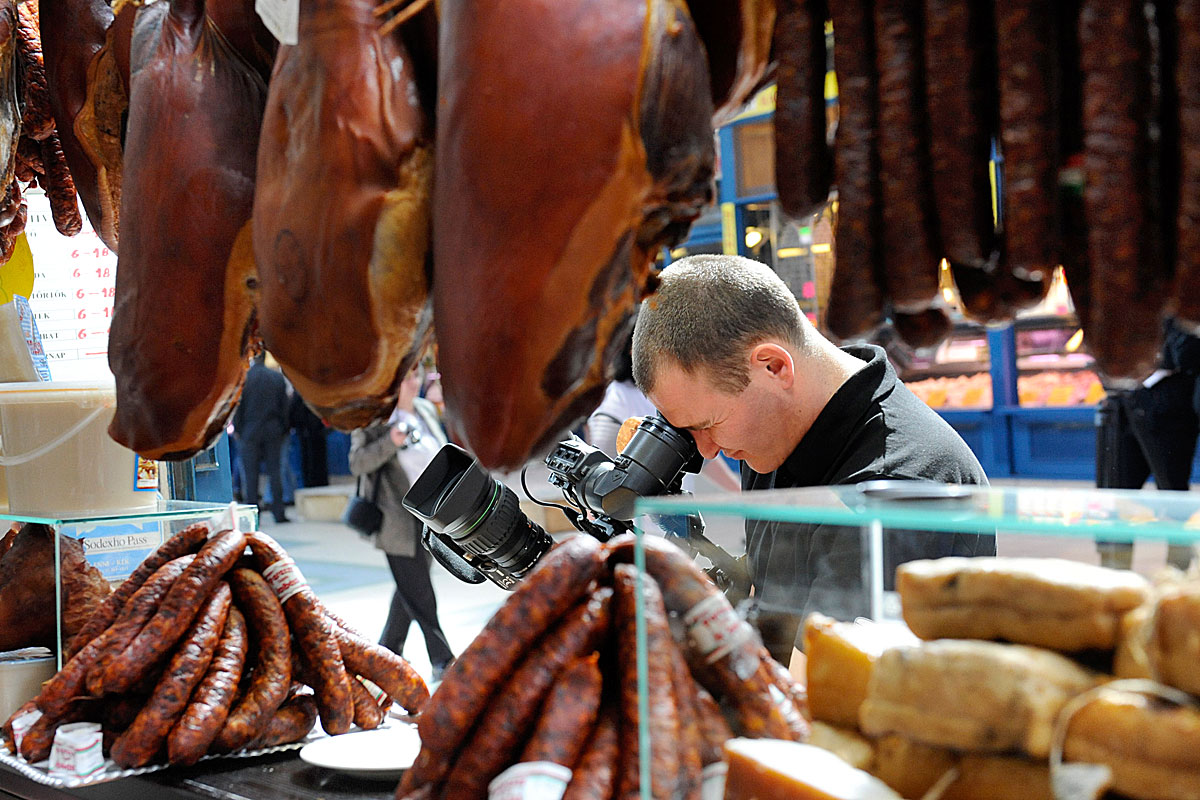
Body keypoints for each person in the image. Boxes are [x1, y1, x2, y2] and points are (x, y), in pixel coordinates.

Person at [631, 254, 994, 663]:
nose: (708, 451)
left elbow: (824, 689)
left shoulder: (895, 481)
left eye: (709, 423)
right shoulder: (773, 436)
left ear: (773, 366)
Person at [349, 367, 455, 681]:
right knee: (421, 593)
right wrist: (390, 442)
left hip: (432, 514)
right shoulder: (375, 418)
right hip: (397, 520)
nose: (415, 380)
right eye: (408, 374)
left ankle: (387, 652)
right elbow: (357, 462)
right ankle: (443, 660)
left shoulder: (423, 409)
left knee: (409, 589)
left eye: (418, 373)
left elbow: (441, 451)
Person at [1095, 318, 1200, 571]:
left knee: (1173, 500)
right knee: (1114, 500)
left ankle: (1177, 581)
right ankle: (1113, 581)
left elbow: (1187, 353)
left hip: (1167, 404)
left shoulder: (1177, 297)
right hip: (1121, 402)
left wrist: (1141, 358)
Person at [233, 353, 291, 524]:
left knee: (251, 475)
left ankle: (253, 515)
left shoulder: (244, 380)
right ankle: (278, 512)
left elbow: (238, 407)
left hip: (249, 433)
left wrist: (238, 430)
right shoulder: (276, 378)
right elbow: (284, 408)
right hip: (273, 432)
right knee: (275, 473)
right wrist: (283, 429)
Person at [289, 392, 329, 489]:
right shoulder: (318, 391)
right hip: (318, 431)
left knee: (308, 462)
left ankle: (311, 485)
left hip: (305, 432)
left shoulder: (300, 392)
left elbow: (294, 412)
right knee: (319, 462)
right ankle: (320, 484)